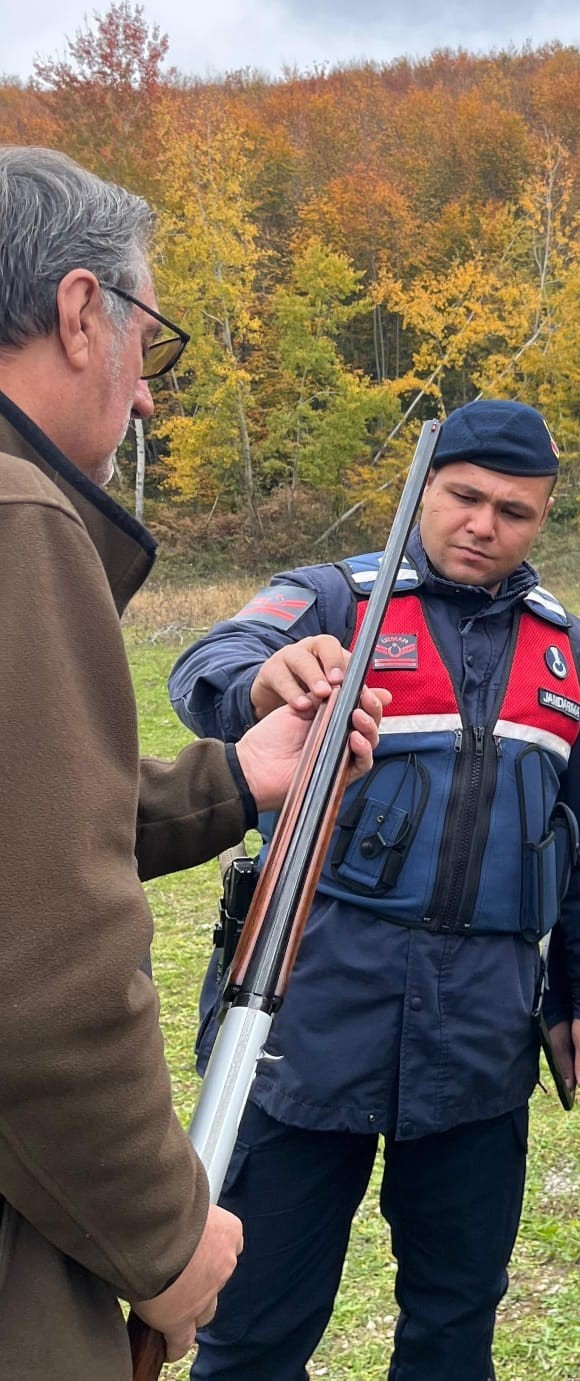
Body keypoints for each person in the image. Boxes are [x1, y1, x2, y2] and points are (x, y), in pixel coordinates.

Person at [0, 146, 386, 1380]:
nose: (147, 398)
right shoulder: (21, 518)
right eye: (146, 345)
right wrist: (170, 1247)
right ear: (76, 312)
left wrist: (234, 776)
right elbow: (44, 988)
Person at [168, 398, 580, 1380]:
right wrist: (264, 684)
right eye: (464, 497)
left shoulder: (570, 653)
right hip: (305, 1034)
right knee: (251, 1332)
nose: (483, 525)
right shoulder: (334, 600)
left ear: (543, 515)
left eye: (515, 510)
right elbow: (205, 667)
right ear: (425, 488)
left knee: (454, 1328)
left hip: (477, 1046)